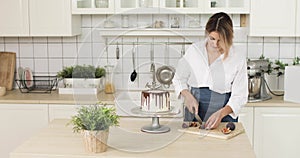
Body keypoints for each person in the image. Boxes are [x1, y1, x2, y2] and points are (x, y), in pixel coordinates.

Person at [173, 12, 248, 130]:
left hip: (224, 115)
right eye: (212, 38)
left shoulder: (237, 57)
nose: (215, 44)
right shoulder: (194, 51)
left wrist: (221, 113)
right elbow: (178, 78)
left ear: (229, 38)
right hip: (194, 113)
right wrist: (187, 95)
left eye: (220, 40)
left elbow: (240, 95)